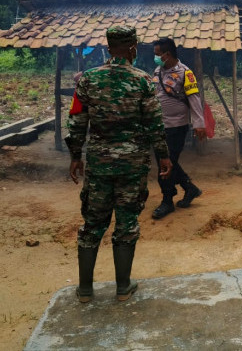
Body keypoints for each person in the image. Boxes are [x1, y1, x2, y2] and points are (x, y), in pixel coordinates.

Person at [65, 25, 172, 303]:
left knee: (92, 223)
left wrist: (76, 155)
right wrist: (163, 155)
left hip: (99, 164)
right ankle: (123, 287)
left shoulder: (87, 80)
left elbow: (76, 119)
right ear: (134, 48)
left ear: (109, 47)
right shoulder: (143, 81)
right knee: (126, 222)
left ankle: (86, 290)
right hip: (132, 165)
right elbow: (154, 124)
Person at [151, 37, 207, 219]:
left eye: (158, 55)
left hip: (176, 126)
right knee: (169, 161)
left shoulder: (186, 73)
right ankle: (190, 188)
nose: (156, 58)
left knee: (165, 164)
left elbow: (194, 99)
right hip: (159, 125)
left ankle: (167, 201)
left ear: (167, 54)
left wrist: (199, 124)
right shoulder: (157, 70)